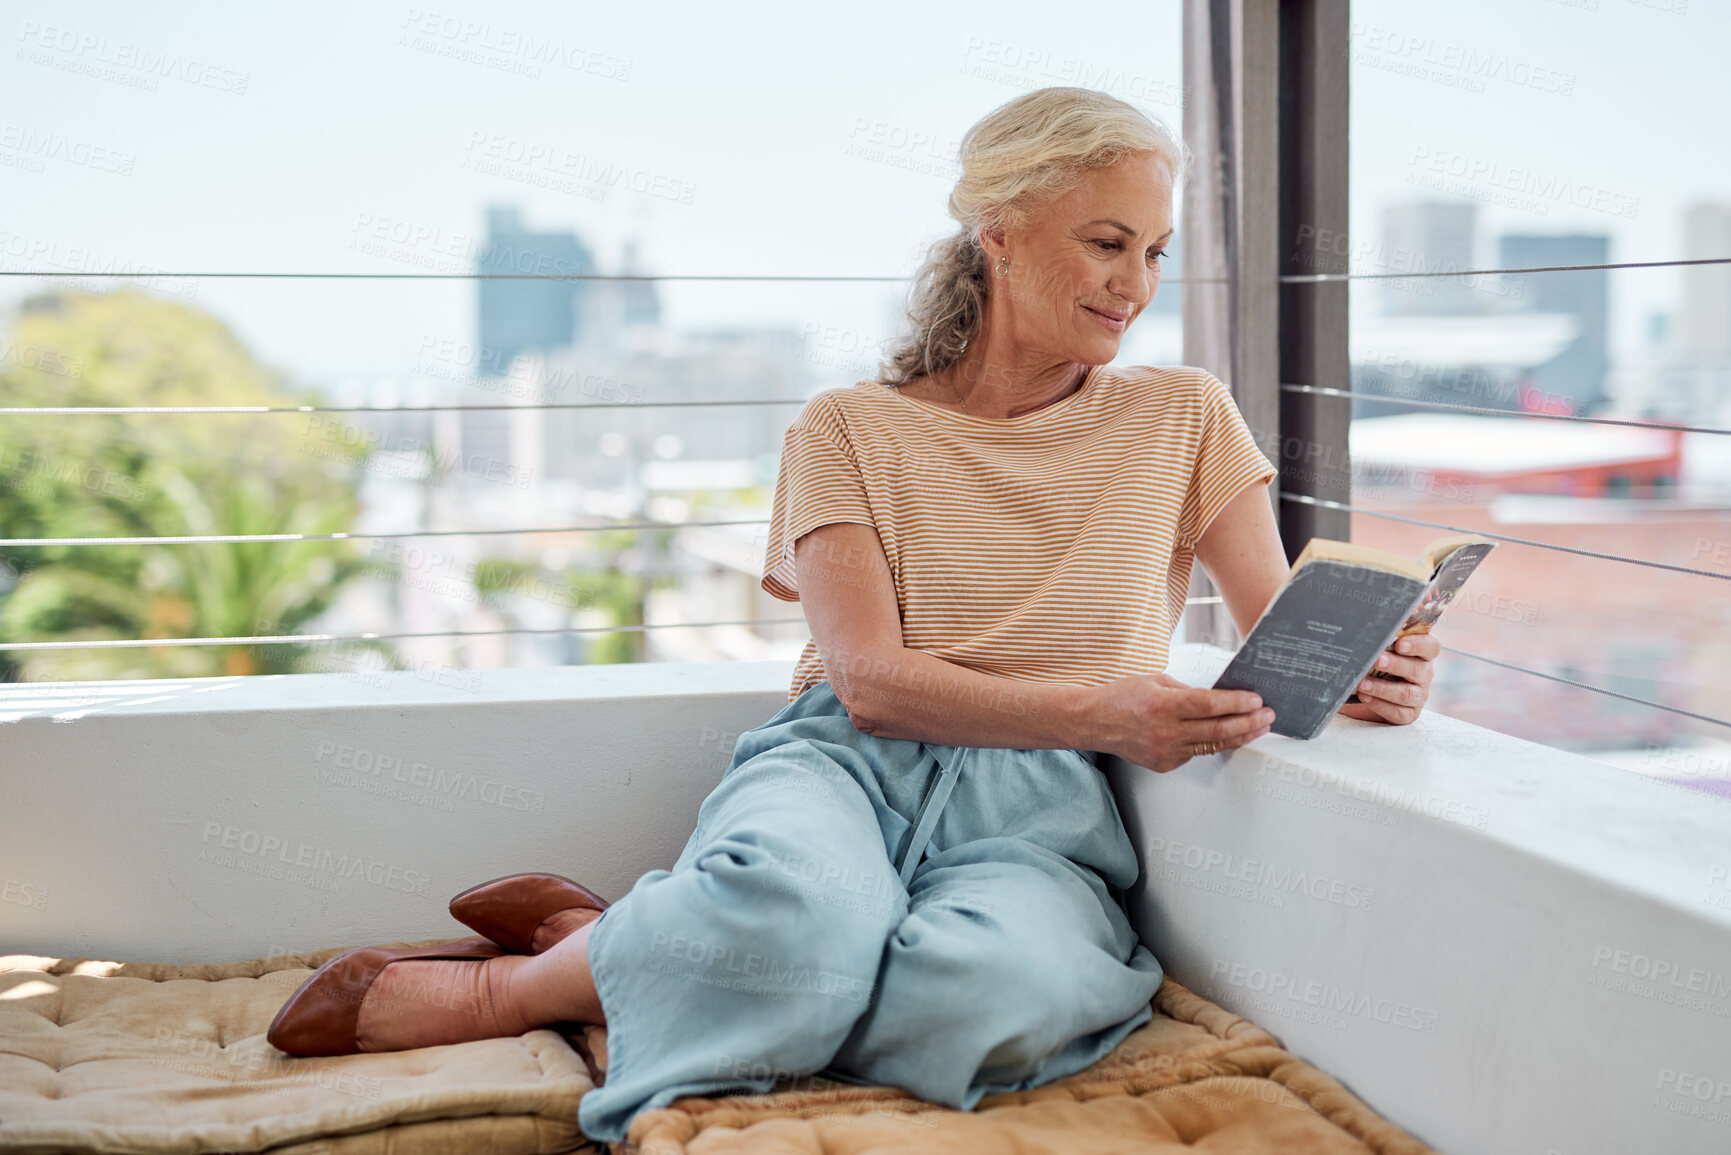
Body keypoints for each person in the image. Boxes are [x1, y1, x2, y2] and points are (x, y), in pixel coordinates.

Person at [265, 85, 1440, 1145]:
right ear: (1001, 230)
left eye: (1155, 252)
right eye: (1105, 242)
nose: (1135, 284)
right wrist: (1100, 707)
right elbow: (870, 680)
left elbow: (1277, 631)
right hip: (845, 763)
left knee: (986, 1001)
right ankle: (504, 991)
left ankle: (626, 942)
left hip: (1040, 808)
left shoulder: (1187, 416)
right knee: (784, 937)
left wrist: (1372, 670)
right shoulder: (848, 429)